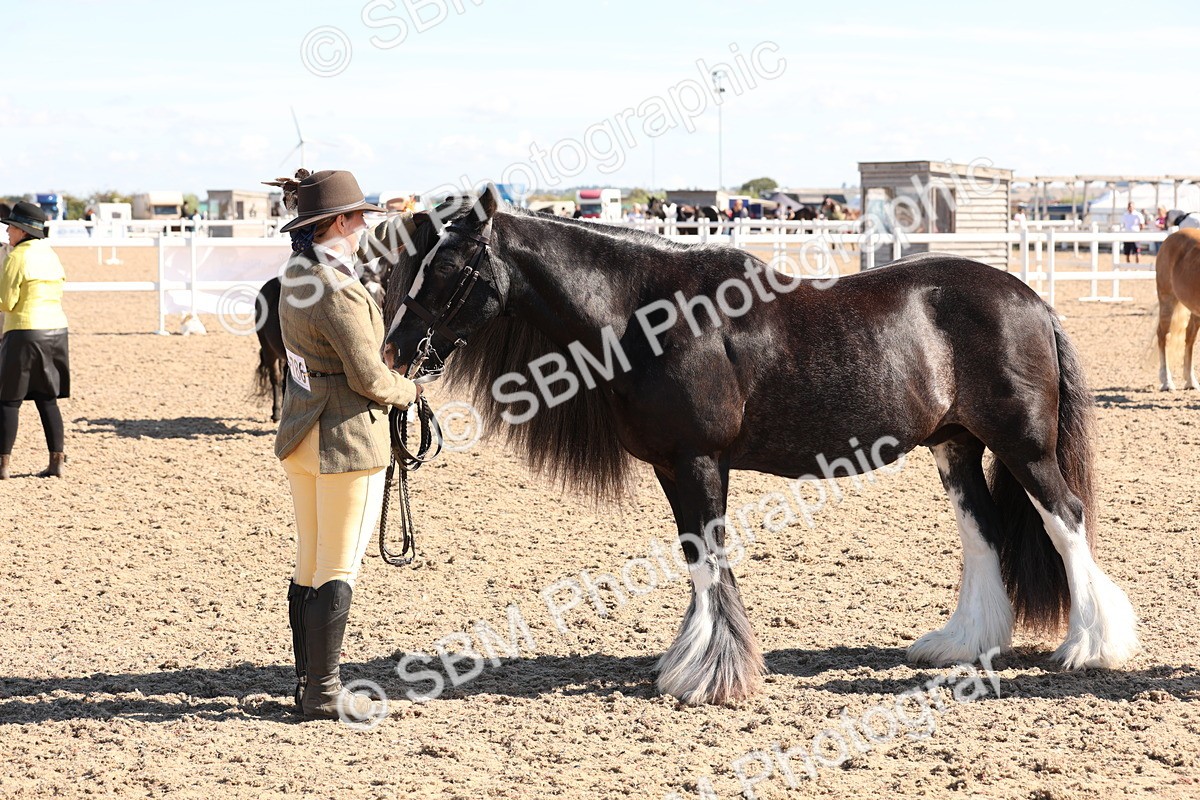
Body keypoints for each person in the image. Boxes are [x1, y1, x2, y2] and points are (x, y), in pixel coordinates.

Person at [272, 170, 419, 722]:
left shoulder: (296, 271)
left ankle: (307, 684)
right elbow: (370, 377)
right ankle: (324, 692)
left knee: (310, 564)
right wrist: (412, 392)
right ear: (337, 222)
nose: (363, 227)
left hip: (302, 432)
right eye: (358, 218)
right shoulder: (337, 287)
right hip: (345, 440)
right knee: (338, 567)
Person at [0, 202, 69, 480]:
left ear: (23, 231)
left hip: (24, 332)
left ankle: (2, 465)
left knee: (8, 400)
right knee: (47, 399)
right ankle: (57, 461)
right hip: (56, 331)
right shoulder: (51, 255)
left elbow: (6, 301)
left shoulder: (16, 257)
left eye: (11, 227)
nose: (8, 232)